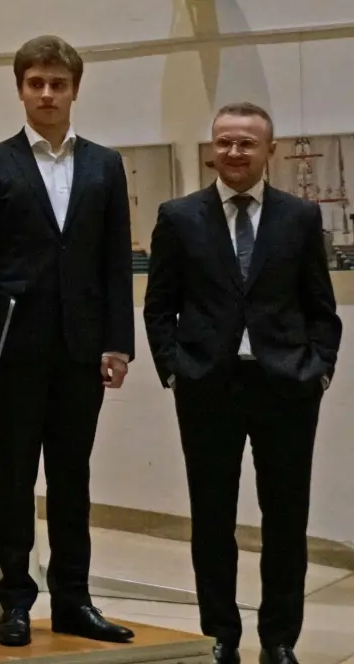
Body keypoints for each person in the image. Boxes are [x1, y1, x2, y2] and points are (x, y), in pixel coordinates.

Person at [145, 102, 340, 664]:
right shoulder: (179, 217)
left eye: (246, 144)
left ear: (269, 151)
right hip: (209, 387)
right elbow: (160, 306)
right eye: (225, 142)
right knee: (211, 520)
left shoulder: (300, 217)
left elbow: (321, 308)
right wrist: (173, 367)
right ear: (213, 148)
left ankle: (279, 640)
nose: (234, 152)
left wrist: (320, 367)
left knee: (285, 522)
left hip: (286, 388)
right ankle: (221, 636)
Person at [0, 36, 136, 646]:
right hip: (14, 345)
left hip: (82, 346)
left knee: (72, 477)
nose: (47, 94)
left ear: (75, 89)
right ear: (20, 89)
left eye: (58, 83)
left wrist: (119, 344)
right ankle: (15, 600)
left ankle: (74, 600)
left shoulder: (105, 165)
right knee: (13, 478)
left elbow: (116, 264)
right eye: (36, 83)